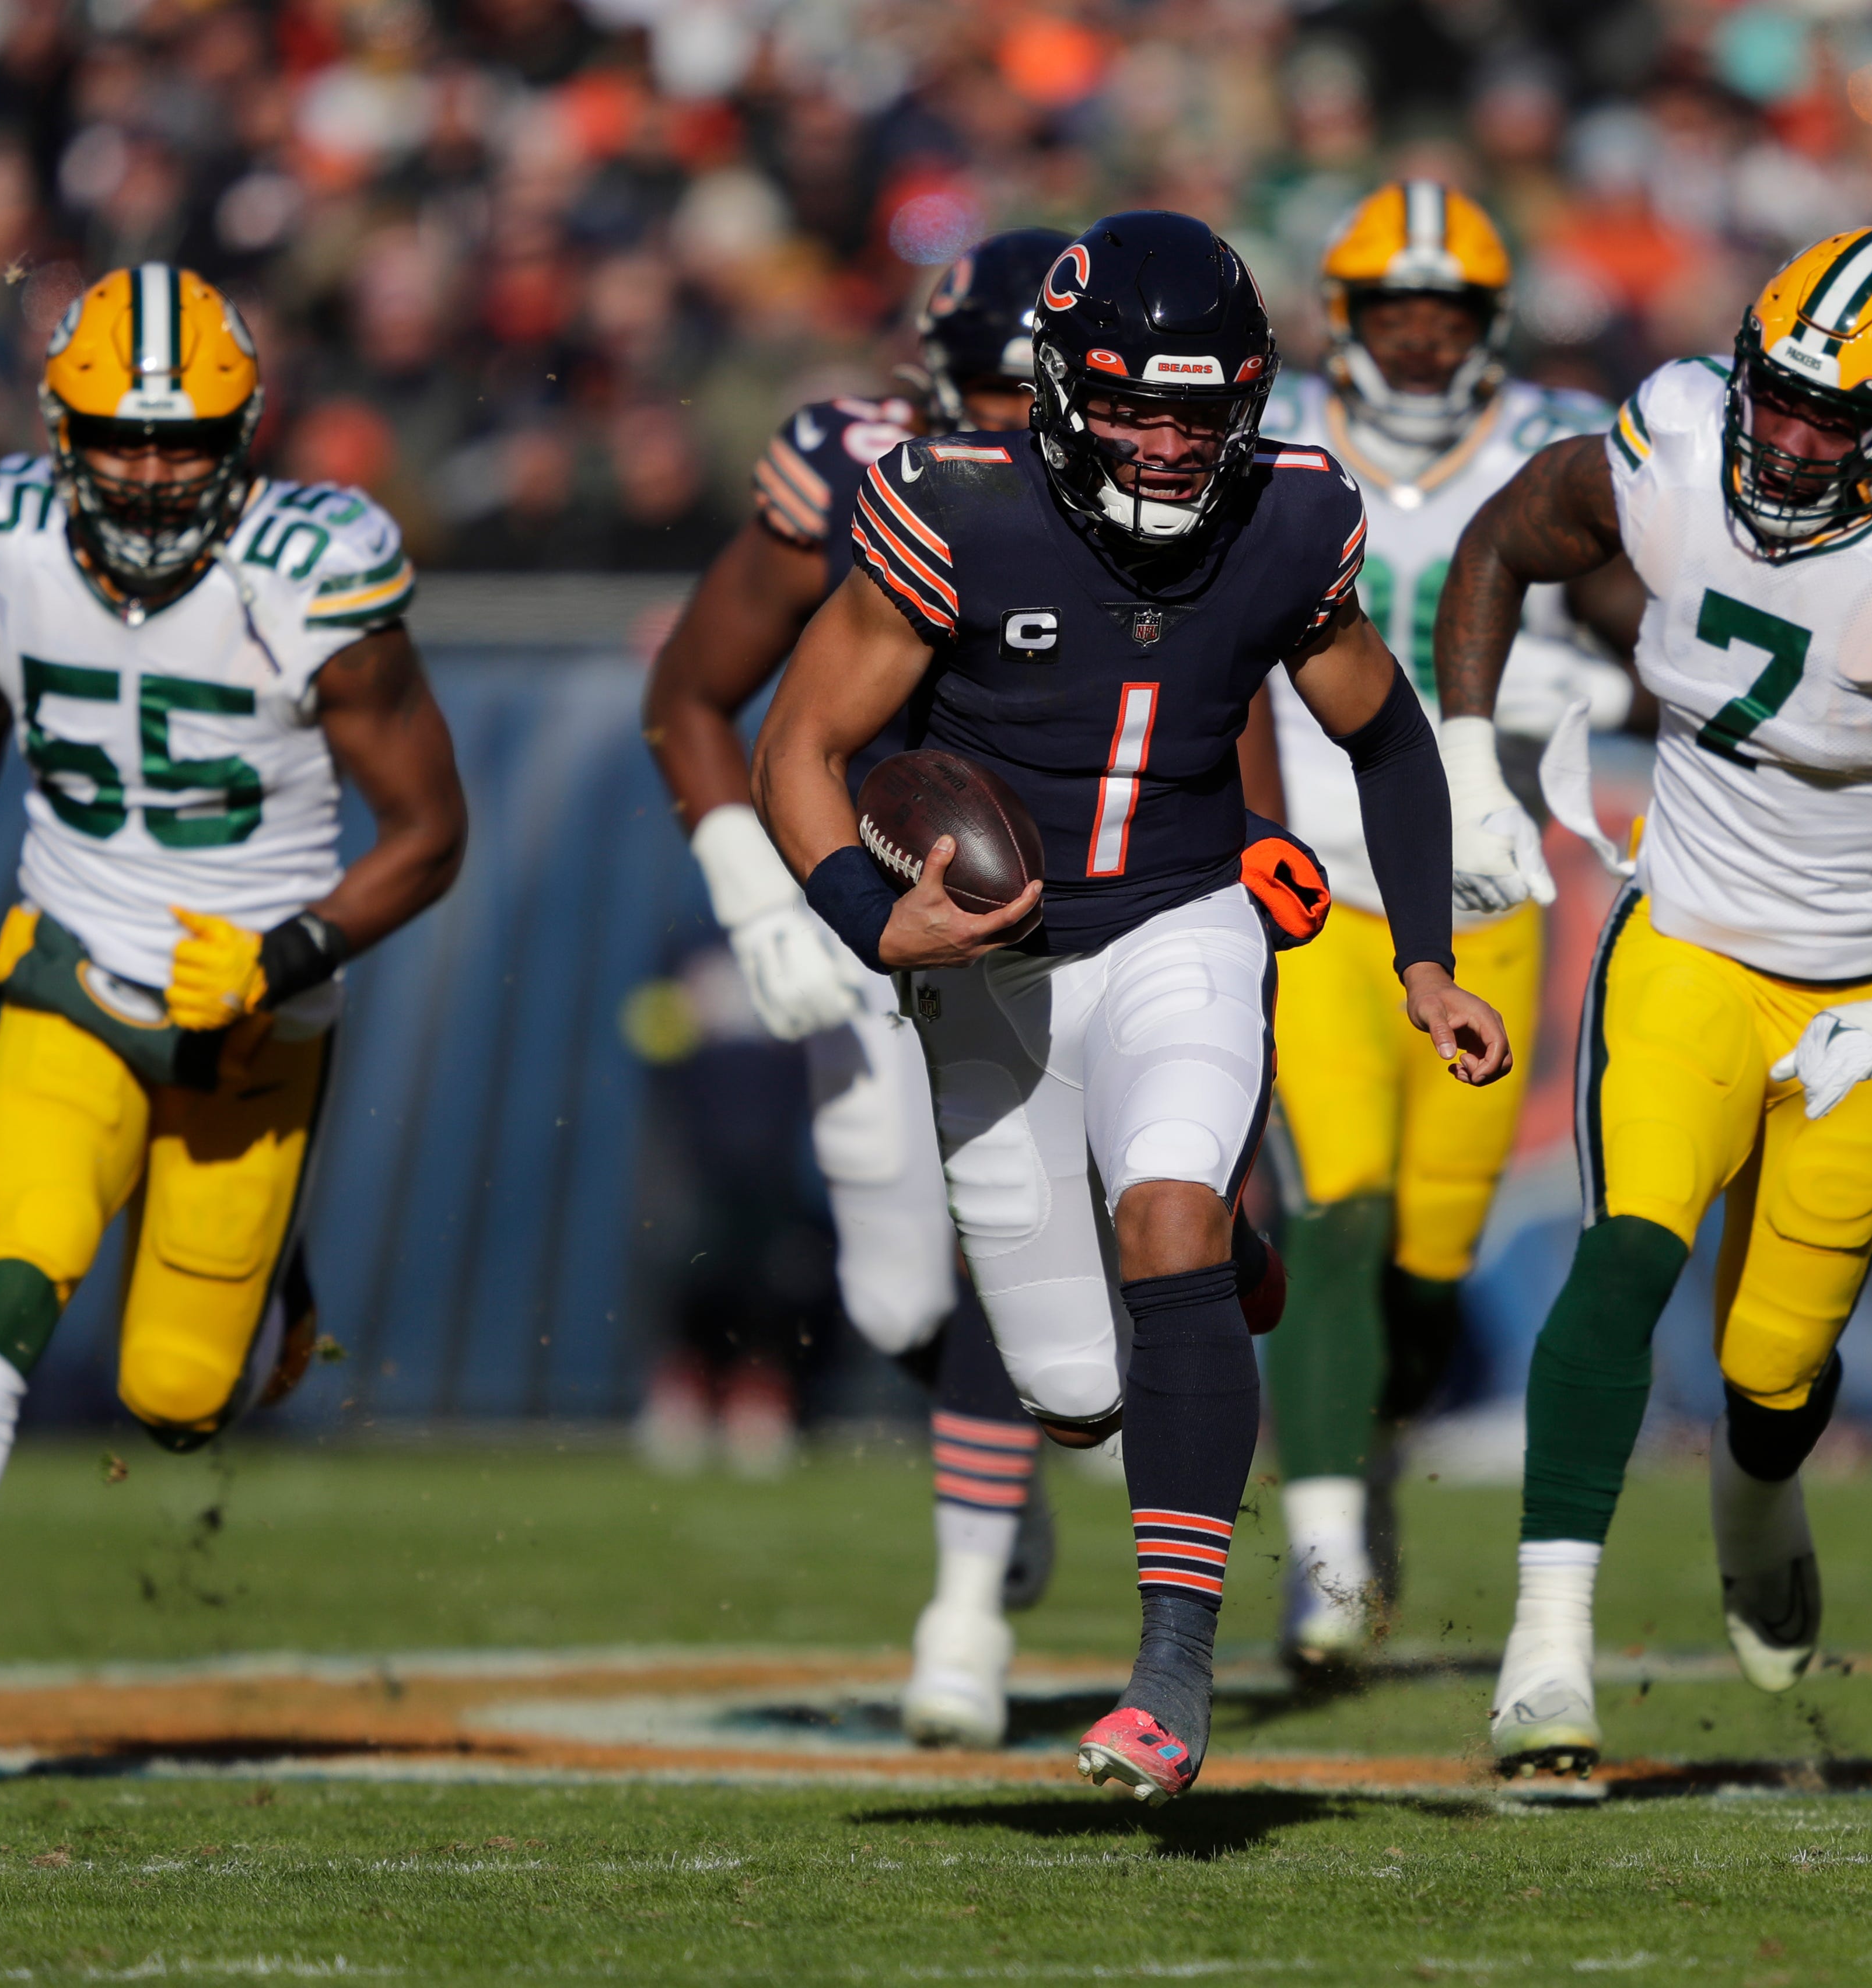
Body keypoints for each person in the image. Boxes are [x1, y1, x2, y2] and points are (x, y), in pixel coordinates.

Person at [754, 211, 1510, 1804]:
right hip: (988, 977)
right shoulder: (956, 509)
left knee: (1164, 1215)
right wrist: (863, 917)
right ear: (1054, 389)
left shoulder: (1292, 515)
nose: (1167, 448)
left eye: (1198, 408)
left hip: (1186, 921)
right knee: (1077, 1397)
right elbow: (797, 747)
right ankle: (1216, 1267)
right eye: (1129, 406)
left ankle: (1169, 1673)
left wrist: (1420, 955)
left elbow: (1384, 735)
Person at [0, 265, 467, 1787]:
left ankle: (266, 1254)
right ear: (61, 426)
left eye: (186, 440)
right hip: (74, 973)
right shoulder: (5, 540)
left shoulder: (313, 569)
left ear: (244, 430)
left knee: (177, 1398)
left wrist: (279, 954)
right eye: (119, 437)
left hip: (262, 1015)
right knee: (17, 1276)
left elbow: (431, 832)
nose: (155, 471)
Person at [1444, 228, 1872, 1777]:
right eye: (1774, 396)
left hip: (1862, 986)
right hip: (1687, 947)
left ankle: (1754, 1491)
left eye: (1830, 420)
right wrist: (1469, 765)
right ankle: (1546, 1653)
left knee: (1773, 1374)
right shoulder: (1664, 444)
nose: (1785, 439)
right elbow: (1496, 545)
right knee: (1620, 1266)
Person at [639, 228, 1072, 1751]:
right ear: (928, 386)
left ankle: (961, 1612)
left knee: (1014, 1250)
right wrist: (758, 889)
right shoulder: (854, 477)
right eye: (986, 395)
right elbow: (690, 694)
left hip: (1070, 925)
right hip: (876, 913)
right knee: (895, 1286)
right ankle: (999, 1475)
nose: (1015, 432)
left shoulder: (1163, 496)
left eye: (1042, 396)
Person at [1237, 180, 1630, 1677]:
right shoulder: (1275, 447)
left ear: (1486, 325)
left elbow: (1625, 613)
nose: (1413, 340)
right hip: (1319, 890)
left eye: (1440, 313)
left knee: (1427, 1252)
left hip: (1485, 894)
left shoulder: (1549, 444)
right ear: (1341, 318)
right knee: (1332, 1207)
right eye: (1390, 311)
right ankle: (1327, 1544)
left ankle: (1361, 1462)